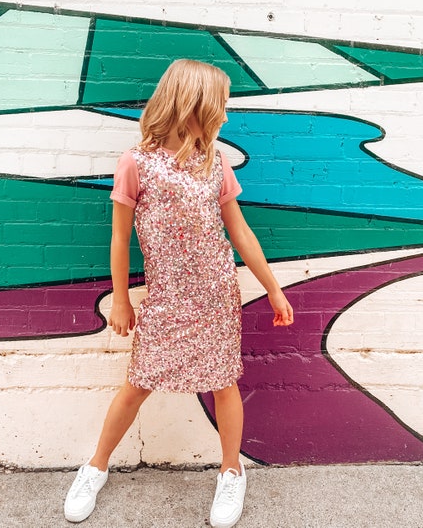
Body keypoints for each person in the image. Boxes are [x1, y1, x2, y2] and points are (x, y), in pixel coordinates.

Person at [64, 59, 294, 527]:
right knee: (138, 384)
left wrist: (273, 288)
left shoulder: (215, 162)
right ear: (193, 106)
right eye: (220, 107)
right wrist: (122, 298)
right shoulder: (137, 163)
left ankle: (232, 471)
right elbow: (119, 237)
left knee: (224, 383)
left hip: (215, 294)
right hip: (166, 298)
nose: (225, 116)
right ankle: (95, 467)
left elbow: (240, 231)